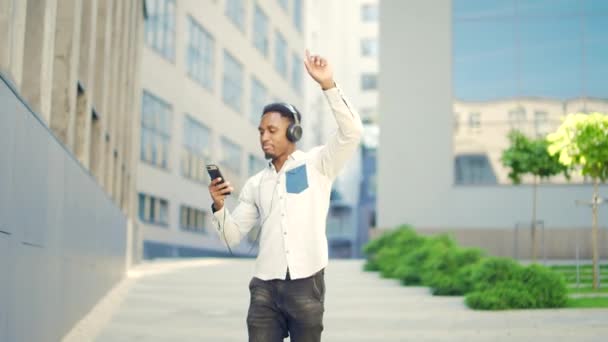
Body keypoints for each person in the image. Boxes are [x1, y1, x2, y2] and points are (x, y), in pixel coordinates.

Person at [207, 50, 363, 342]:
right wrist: (218, 207)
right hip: (264, 290)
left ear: (293, 132)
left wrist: (328, 84)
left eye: (272, 130)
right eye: (261, 131)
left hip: (306, 285)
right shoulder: (256, 183)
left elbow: (352, 133)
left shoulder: (318, 164)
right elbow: (231, 237)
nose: (264, 136)